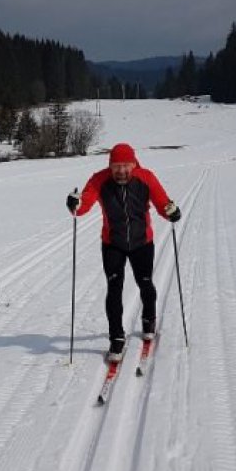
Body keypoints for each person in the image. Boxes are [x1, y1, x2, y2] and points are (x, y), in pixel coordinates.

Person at [66, 143, 181, 363]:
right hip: (113, 243)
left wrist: (172, 212)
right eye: (117, 166)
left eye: (126, 165)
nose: (121, 171)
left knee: (145, 283)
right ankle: (116, 338)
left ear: (133, 163)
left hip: (142, 242)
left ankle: (149, 320)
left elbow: (162, 203)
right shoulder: (99, 180)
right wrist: (75, 203)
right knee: (114, 288)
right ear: (110, 166)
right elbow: (84, 204)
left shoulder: (146, 178)